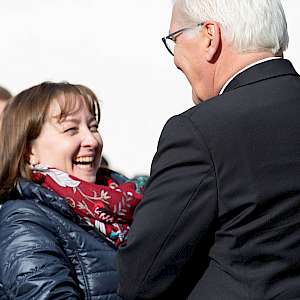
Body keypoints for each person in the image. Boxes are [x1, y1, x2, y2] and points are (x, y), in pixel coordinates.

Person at [117, 0, 300, 299]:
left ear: (210, 37)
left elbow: (142, 276)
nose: (175, 57)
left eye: (175, 39)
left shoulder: (200, 131)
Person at [0, 81, 145, 299]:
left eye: (93, 127)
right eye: (71, 129)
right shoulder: (23, 222)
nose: (91, 141)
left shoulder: (127, 201)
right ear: (30, 151)